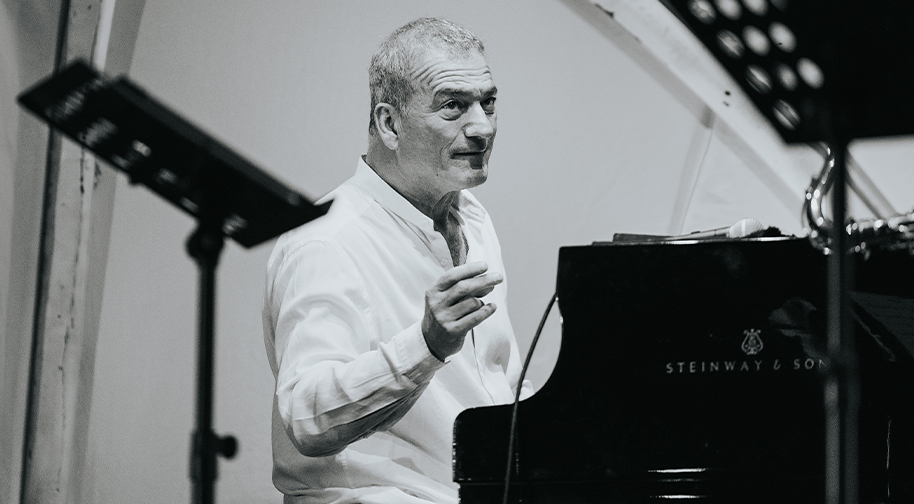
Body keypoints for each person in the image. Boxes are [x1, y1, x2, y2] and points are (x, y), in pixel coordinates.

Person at [262, 17, 532, 504]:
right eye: (453, 106)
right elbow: (307, 418)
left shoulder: (472, 217)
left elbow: (494, 385)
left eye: (488, 102)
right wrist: (426, 345)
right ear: (389, 124)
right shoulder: (325, 242)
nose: (483, 127)